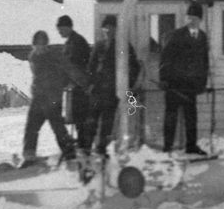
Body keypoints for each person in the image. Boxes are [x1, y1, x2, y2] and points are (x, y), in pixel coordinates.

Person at [23, 30, 87, 165]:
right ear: (34, 45)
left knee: (57, 127)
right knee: (31, 127)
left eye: (42, 45)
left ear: (46, 45)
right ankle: (29, 156)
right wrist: (35, 87)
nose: (40, 47)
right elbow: (36, 75)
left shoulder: (55, 55)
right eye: (37, 45)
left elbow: (69, 68)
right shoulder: (33, 56)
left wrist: (83, 83)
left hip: (53, 97)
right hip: (39, 97)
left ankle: (69, 152)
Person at [86, 15, 141, 157]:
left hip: (112, 91)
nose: (108, 31)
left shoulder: (123, 46)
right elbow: (91, 66)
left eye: (111, 28)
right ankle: (87, 148)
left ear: (116, 29)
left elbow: (135, 67)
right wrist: (90, 84)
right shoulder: (99, 46)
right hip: (98, 90)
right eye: (106, 28)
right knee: (91, 120)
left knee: (107, 122)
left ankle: (101, 149)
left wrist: (126, 85)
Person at [160, 2, 210, 155]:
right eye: (189, 17)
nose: (192, 21)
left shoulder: (202, 37)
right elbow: (165, 57)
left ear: (200, 20)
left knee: (191, 117)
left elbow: (204, 61)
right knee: (171, 117)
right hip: (174, 84)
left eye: (195, 18)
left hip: (191, 86)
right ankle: (167, 147)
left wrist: (202, 82)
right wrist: (164, 79)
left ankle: (191, 146)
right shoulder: (176, 35)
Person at [56, 14, 92, 152]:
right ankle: (82, 144)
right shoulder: (72, 41)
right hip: (77, 85)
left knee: (81, 117)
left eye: (61, 29)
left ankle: (84, 146)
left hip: (81, 85)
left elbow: (76, 66)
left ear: (67, 27)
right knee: (77, 117)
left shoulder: (77, 42)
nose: (59, 32)